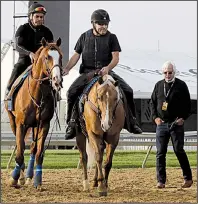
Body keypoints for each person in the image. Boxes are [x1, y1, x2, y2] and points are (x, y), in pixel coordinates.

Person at [62, 9, 142, 140]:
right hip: (88, 73)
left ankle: (132, 122)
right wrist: (67, 69)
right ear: (93, 24)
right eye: (100, 24)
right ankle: (71, 123)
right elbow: (76, 55)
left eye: (105, 24)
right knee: (71, 92)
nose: (103, 26)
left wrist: (108, 68)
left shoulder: (112, 38)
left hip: (106, 72)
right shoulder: (84, 36)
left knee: (128, 90)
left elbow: (115, 58)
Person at [151, 61, 193, 189]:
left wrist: (183, 118)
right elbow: (152, 103)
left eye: (170, 72)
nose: (168, 75)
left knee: (178, 150)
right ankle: (161, 181)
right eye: (165, 72)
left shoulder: (181, 85)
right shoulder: (158, 85)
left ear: (174, 72)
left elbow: (188, 105)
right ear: (162, 72)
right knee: (160, 152)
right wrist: (155, 118)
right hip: (162, 124)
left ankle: (188, 178)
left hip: (176, 124)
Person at [5, 2, 54, 99]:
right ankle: (9, 93)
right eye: (37, 16)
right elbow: (17, 45)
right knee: (17, 68)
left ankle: (55, 96)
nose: (40, 19)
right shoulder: (23, 29)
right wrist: (29, 53)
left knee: (54, 74)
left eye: (41, 17)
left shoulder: (47, 32)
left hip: (42, 63)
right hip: (25, 60)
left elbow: (51, 49)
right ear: (31, 17)